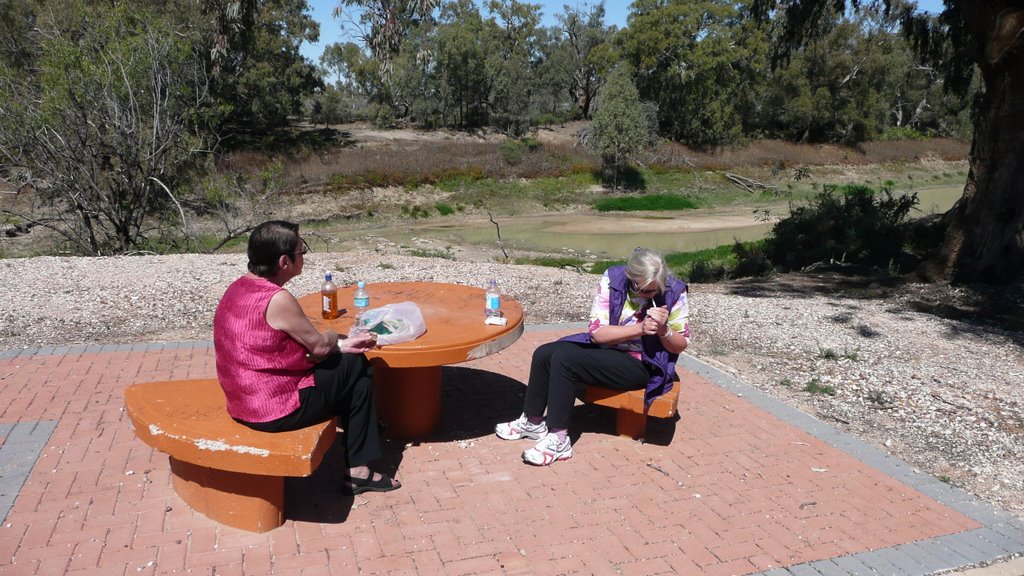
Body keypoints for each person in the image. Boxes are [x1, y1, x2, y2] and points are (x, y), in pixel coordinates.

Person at [213, 220, 400, 494]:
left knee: (354, 373)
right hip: (271, 410)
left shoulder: (239, 287)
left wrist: (340, 347)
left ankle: (362, 456)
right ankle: (361, 461)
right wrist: (337, 337)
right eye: (302, 252)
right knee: (357, 364)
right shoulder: (277, 299)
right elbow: (320, 347)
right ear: (284, 262)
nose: (304, 257)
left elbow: (284, 348)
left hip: (242, 400)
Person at [496, 248, 691, 466]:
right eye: (642, 290)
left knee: (565, 360)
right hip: (607, 348)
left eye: (654, 291)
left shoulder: (675, 291)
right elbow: (597, 334)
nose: (647, 295)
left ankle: (559, 439)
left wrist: (664, 330)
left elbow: (679, 346)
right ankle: (532, 422)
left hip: (644, 363)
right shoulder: (613, 279)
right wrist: (640, 329)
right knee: (545, 353)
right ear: (630, 277)